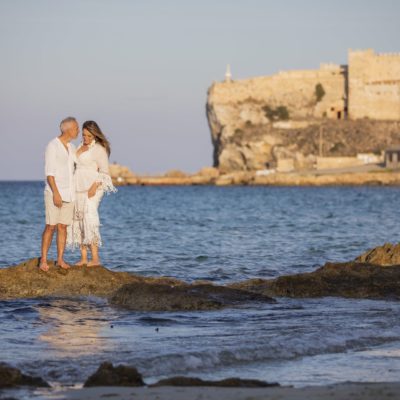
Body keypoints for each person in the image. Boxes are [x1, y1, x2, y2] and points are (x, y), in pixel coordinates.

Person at [67, 120, 116, 266]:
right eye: (83, 135)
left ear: (95, 134)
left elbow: (105, 173)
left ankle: (95, 258)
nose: (86, 138)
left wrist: (94, 187)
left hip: (93, 188)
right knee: (79, 220)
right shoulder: (79, 146)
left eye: (89, 135)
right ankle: (83, 258)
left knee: (90, 219)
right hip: (77, 187)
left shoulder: (99, 149)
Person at [40, 117, 79, 271]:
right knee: (51, 226)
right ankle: (43, 260)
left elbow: (79, 162)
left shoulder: (72, 147)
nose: (77, 131)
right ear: (68, 129)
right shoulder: (52, 146)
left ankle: (60, 260)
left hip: (69, 193)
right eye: (76, 128)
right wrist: (56, 193)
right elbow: (49, 173)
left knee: (63, 227)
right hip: (54, 192)